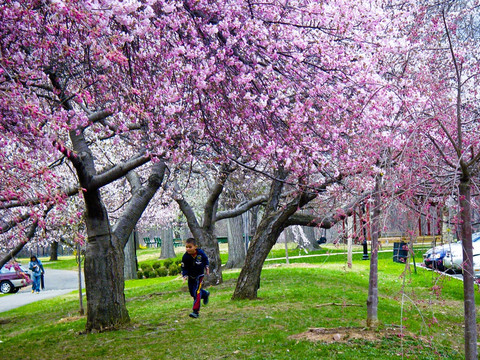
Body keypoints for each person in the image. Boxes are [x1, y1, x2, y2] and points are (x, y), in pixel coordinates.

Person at [181, 237, 210, 318]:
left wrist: (207, 267)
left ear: (195, 247)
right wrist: (185, 275)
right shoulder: (185, 257)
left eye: (190, 247)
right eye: (186, 247)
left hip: (199, 276)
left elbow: (205, 260)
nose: (188, 249)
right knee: (193, 293)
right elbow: (184, 267)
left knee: (197, 292)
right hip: (191, 276)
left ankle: (195, 311)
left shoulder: (200, 253)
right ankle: (205, 294)